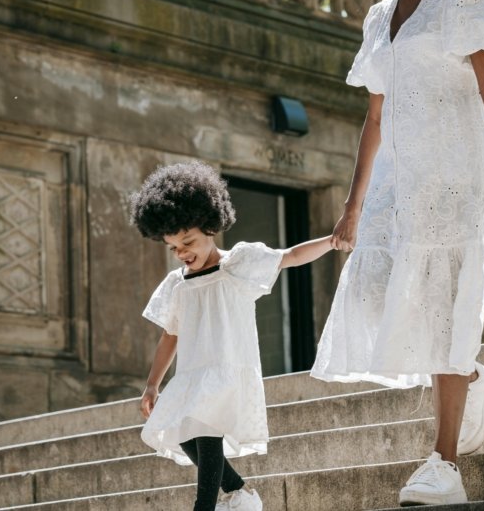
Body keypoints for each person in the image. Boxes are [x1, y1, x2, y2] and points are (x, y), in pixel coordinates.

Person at [309, 0, 484, 506]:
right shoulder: (379, 16)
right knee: (374, 295)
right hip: (396, 179)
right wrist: (354, 206)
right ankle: (474, 379)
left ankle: (445, 464)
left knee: (442, 301)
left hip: (456, 171)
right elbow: (374, 118)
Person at [130, 161, 334, 511]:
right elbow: (170, 335)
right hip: (193, 374)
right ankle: (240, 495)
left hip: (227, 368)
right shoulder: (177, 285)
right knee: (186, 437)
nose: (182, 252)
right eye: (173, 247)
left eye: (188, 241)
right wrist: (152, 384)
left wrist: (332, 241)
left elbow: (290, 256)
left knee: (206, 439)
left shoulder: (237, 265)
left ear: (210, 227)